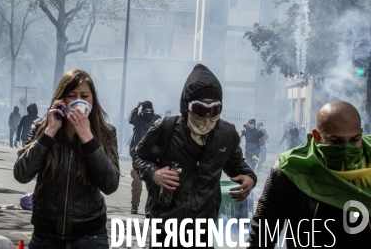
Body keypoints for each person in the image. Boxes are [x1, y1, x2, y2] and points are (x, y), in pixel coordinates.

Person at [133, 64, 256, 248]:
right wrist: (154, 173)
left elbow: (237, 165)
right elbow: (138, 157)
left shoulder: (227, 134)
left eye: (213, 110)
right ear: (187, 106)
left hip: (204, 228)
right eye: (200, 109)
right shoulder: (166, 128)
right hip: (166, 224)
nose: (207, 116)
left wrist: (249, 177)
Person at [14, 69, 119, 249]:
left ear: (93, 99)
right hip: (46, 234)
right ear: (62, 99)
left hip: (89, 234)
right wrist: (50, 132)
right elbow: (22, 174)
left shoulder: (104, 132)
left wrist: (88, 138)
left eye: (85, 95)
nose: (79, 101)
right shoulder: (42, 127)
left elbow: (110, 184)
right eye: (72, 95)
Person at [248, 101, 371, 247]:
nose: (346, 149)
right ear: (316, 136)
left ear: (361, 133)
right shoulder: (289, 171)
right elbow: (261, 237)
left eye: (354, 140)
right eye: (336, 141)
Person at [128, 100, 161, 214]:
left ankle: (151, 207)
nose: (148, 112)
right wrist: (136, 108)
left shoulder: (157, 119)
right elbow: (131, 119)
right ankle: (134, 204)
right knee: (136, 181)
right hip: (138, 155)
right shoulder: (139, 119)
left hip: (152, 156)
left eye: (149, 110)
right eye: (145, 109)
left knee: (153, 183)